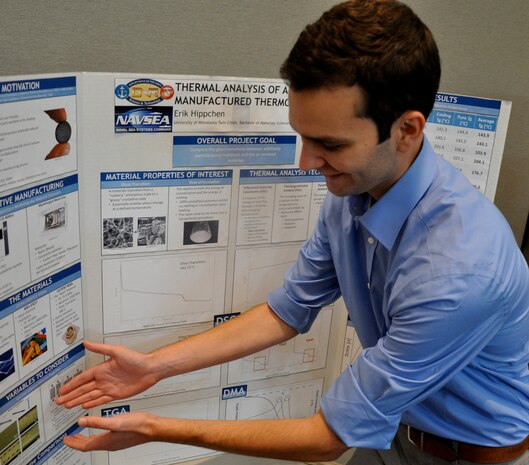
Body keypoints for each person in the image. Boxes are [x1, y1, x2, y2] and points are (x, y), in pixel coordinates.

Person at [57, 0, 529, 463]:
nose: (307, 162)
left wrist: (155, 429)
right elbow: (286, 312)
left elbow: (326, 440)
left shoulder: (459, 268)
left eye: (329, 144)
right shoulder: (354, 193)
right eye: (303, 136)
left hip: (473, 453)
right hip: (398, 430)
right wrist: (154, 368)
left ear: (407, 129)